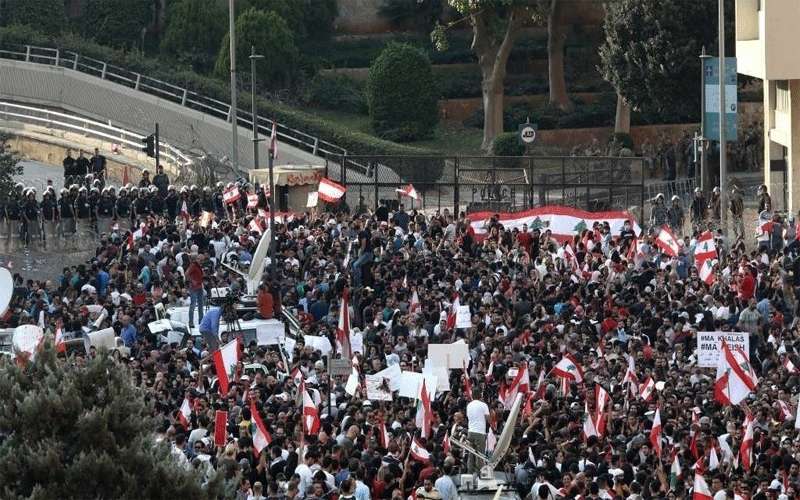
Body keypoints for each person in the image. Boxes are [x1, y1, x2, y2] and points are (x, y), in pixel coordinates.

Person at [465, 389, 490, 473]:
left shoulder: (469, 405)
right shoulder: (483, 405)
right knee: (480, 456)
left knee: (470, 455)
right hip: (480, 433)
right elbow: (488, 419)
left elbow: (468, 417)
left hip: (470, 432)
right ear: (480, 395)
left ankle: (470, 473)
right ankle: (480, 475)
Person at [186, 254, 205, 328]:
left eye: (202, 260)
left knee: (201, 305)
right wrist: (192, 281)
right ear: (197, 259)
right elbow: (186, 274)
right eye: (200, 260)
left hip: (199, 286)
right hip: (194, 288)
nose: (201, 261)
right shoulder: (193, 265)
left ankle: (201, 321)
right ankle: (191, 322)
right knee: (193, 305)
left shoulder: (198, 266)